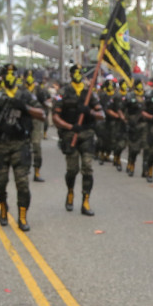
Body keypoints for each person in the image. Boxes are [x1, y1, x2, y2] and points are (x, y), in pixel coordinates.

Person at [0, 64, 46, 232]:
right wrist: (0, 126)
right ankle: (3, 208)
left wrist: (24, 107)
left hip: (20, 145)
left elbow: (42, 114)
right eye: (7, 74)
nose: (10, 77)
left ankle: (22, 216)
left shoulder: (25, 95)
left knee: (23, 184)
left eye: (13, 74)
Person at [51, 63, 102, 216]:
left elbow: (101, 115)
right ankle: (70, 192)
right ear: (71, 74)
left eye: (81, 72)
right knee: (72, 170)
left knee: (87, 167)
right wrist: (70, 126)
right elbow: (55, 117)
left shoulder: (89, 92)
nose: (79, 75)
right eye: (76, 72)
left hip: (87, 134)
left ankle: (85, 201)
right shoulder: (63, 92)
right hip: (70, 135)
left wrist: (89, 112)